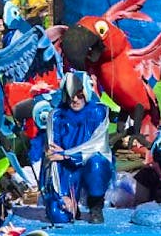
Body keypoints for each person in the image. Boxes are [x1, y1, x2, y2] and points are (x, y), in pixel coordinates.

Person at [42, 71, 113, 224]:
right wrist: (62, 195)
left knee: (97, 163)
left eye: (79, 95)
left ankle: (95, 205)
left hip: (89, 166)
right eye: (70, 95)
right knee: (59, 216)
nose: (74, 100)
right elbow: (53, 157)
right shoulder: (55, 116)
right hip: (65, 172)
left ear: (86, 93)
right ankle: (71, 204)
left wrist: (66, 154)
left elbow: (98, 148)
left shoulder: (99, 112)